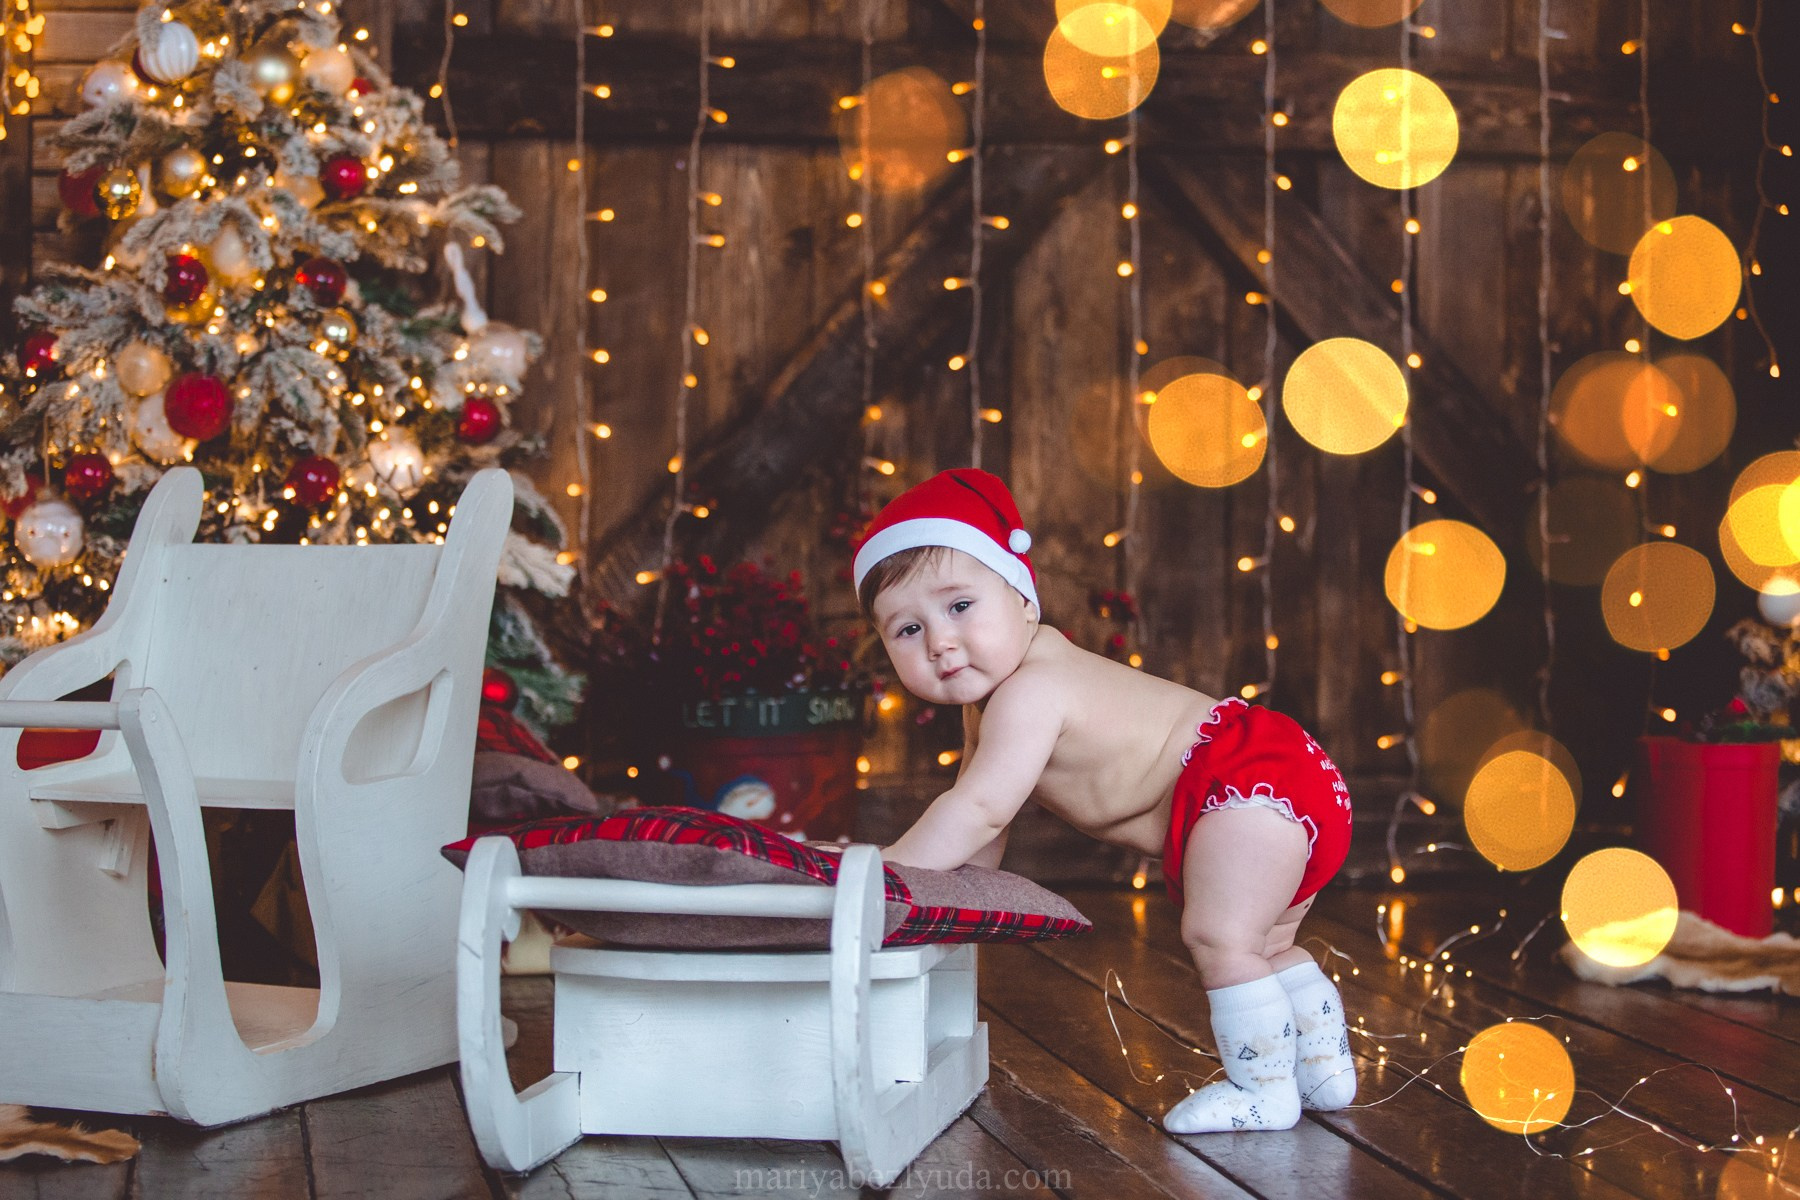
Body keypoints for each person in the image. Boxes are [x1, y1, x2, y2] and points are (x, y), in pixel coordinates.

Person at [854, 468, 1356, 1133]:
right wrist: (947, 889)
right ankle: (1324, 1071)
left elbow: (979, 810)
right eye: (906, 631)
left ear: (1023, 600)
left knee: (1220, 937)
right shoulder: (997, 700)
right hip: (1283, 782)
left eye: (959, 607)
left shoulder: (1033, 691)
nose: (940, 641)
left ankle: (1262, 1088)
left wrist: (885, 874)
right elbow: (980, 822)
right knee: (1263, 946)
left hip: (1241, 783)